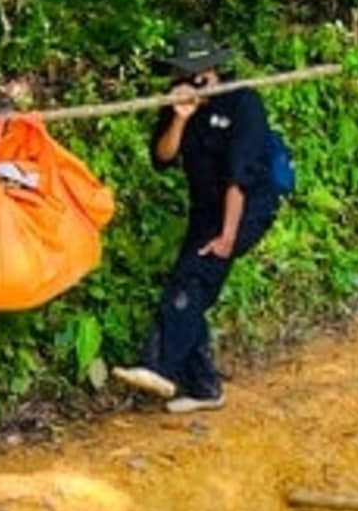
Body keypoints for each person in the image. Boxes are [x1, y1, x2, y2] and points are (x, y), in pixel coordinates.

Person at [111, 30, 283, 413]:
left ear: (210, 71)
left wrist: (227, 236)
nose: (183, 78)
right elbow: (163, 158)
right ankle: (204, 387)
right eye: (180, 72)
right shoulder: (180, 105)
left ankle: (159, 367)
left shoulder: (243, 103)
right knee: (192, 285)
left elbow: (240, 176)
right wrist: (180, 118)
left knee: (190, 281)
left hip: (246, 207)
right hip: (205, 208)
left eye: (192, 73)